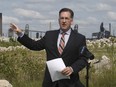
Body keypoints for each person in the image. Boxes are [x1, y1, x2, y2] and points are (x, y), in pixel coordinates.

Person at [10, 8, 88, 87]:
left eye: (66, 18)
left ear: (71, 21)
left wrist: (72, 68)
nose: (64, 21)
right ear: (58, 20)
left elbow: (83, 59)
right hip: (50, 83)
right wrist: (20, 34)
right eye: (62, 18)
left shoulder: (79, 38)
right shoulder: (49, 35)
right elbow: (34, 45)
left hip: (70, 83)